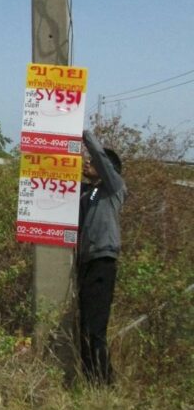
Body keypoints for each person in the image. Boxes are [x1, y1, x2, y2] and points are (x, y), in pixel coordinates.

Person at [77, 129, 127, 384]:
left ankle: (103, 383)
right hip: (86, 263)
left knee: (95, 328)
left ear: (107, 169)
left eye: (92, 161)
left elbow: (98, 155)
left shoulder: (113, 187)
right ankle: (90, 380)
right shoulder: (91, 193)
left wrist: (83, 134)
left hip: (102, 262)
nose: (87, 162)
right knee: (84, 326)